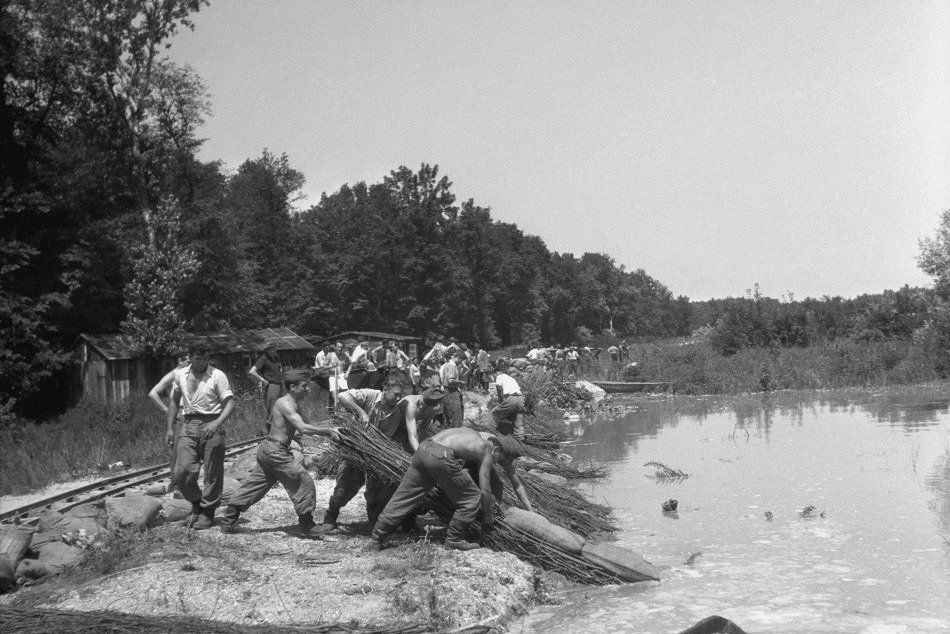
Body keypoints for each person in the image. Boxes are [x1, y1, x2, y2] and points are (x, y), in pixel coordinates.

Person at [220, 370, 340, 537]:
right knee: (303, 481)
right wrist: (328, 431)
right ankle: (307, 526)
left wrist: (328, 431)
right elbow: (303, 428)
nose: (308, 389)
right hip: (275, 452)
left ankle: (228, 521)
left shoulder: (295, 403)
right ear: (292, 387)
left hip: (271, 449)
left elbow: (304, 428)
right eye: (304, 386)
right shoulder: (285, 403)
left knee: (255, 485)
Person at [370, 428, 532, 551]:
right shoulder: (487, 450)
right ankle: (454, 539)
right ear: (497, 450)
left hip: (424, 448)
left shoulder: (474, 434)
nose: (497, 463)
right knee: (472, 498)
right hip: (441, 456)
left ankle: (376, 537)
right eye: (500, 459)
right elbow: (485, 490)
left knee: (404, 496)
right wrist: (488, 517)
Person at [317, 383, 412, 532]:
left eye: (400, 395)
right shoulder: (370, 395)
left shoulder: (396, 414)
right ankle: (330, 518)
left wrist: (374, 450)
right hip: (354, 452)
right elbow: (342, 396)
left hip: (374, 456)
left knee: (375, 493)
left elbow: (385, 439)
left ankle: (374, 521)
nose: (398, 398)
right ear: (385, 389)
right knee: (343, 490)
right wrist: (361, 412)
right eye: (395, 394)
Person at [167, 341, 234, 529]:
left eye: (205, 358)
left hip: (212, 424)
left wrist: (217, 423)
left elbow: (229, 403)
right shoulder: (180, 374)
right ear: (190, 357)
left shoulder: (217, 375)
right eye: (198, 358)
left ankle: (208, 512)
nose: (202, 362)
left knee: (212, 473)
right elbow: (174, 400)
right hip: (188, 425)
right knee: (181, 473)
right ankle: (196, 502)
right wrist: (170, 428)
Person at [248, 340, 283, 433]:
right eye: (270, 349)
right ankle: (269, 429)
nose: (273, 351)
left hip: (280, 384)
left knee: (281, 407)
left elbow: (280, 369)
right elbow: (252, 371)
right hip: (272, 385)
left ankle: (278, 428)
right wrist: (263, 380)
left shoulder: (276, 357)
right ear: (266, 350)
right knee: (272, 408)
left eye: (274, 348)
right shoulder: (263, 358)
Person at [490, 366, 526, 441]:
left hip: (512, 399)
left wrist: (501, 402)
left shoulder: (500, 376)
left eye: (495, 373)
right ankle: (520, 439)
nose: (495, 375)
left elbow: (499, 389)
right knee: (517, 420)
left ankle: (490, 432)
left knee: (493, 414)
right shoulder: (511, 378)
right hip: (521, 399)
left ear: (499, 372)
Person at [439, 352, 465, 428]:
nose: (460, 362)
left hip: (448, 392)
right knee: (455, 419)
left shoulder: (446, 365)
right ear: (457, 357)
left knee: (451, 419)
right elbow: (450, 381)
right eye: (461, 360)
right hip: (451, 392)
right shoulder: (452, 365)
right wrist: (460, 382)